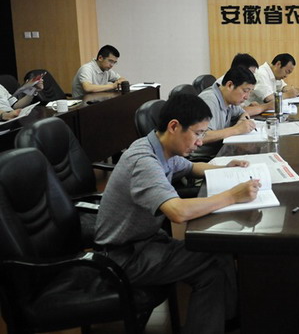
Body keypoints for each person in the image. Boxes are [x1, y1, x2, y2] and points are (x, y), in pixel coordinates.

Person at [95, 93, 260, 333]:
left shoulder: (162, 148)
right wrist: (233, 196)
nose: (201, 142)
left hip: (146, 242)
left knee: (214, 265)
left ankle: (228, 321)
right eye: (198, 133)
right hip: (124, 257)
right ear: (174, 126)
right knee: (215, 258)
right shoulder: (144, 161)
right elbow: (178, 212)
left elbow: (192, 167)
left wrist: (224, 167)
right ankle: (232, 320)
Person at [191, 66, 257, 160]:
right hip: (203, 158)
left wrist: (242, 121)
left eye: (250, 92)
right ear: (230, 85)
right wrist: (237, 129)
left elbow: (243, 113)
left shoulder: (229, 98)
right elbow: (200, 137)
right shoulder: (209, 100)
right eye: (245, 91)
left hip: (219, 150)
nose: (247, 97)